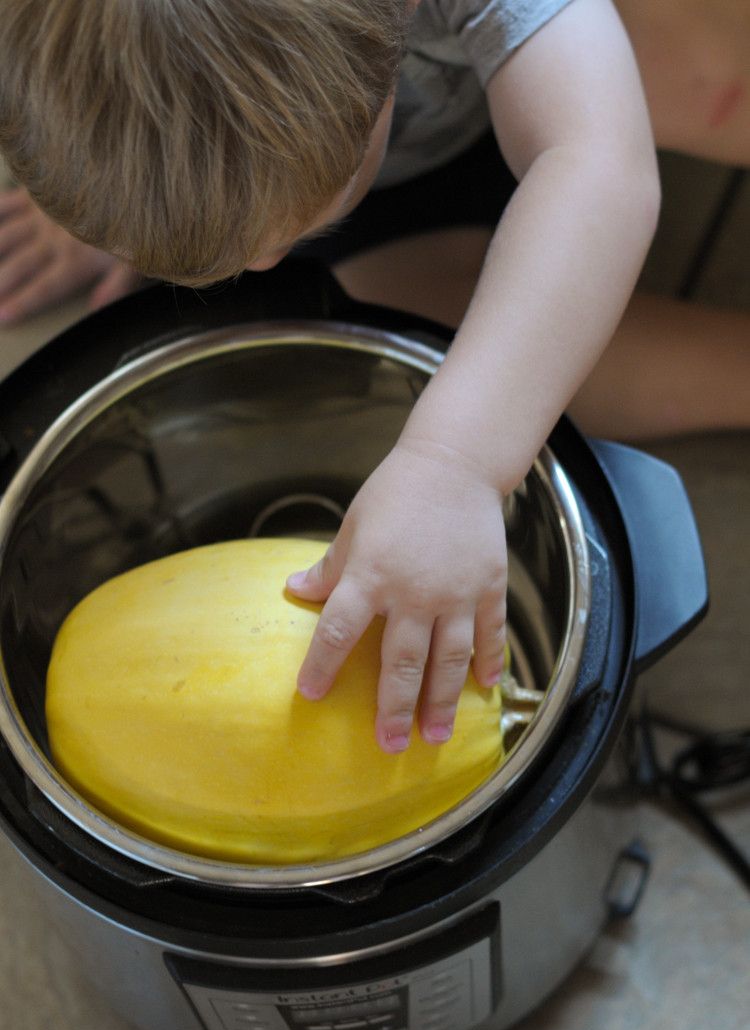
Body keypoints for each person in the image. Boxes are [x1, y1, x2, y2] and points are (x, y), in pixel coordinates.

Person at [0, 0, 659, 753]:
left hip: (571, 66)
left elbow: (601, 163)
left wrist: (458, 461)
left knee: (695, 77)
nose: (263, 267)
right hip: (390, 138)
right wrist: (92, 166)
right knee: (415, 319)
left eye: (287, 230)